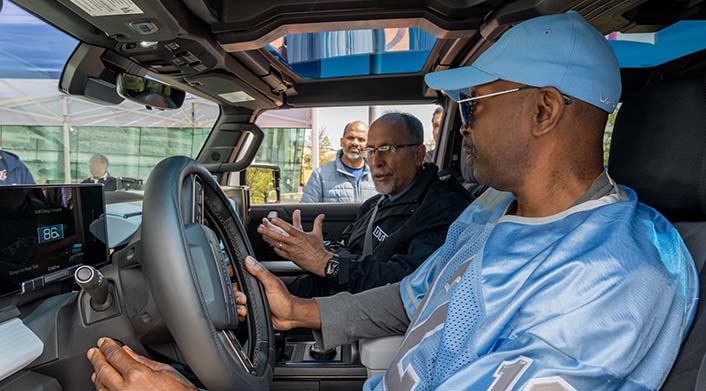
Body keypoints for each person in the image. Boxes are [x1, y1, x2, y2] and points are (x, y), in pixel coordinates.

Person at [87, 12, 698, 391]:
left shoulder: (619, 273)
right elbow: (415, 299)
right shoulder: (491, 211)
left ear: (543, 110)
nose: (464, 127)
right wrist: (302, 315)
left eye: (474, 105)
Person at [263, 112, 471, 297]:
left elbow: (408, 285)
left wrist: (326, 262)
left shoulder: (441, 207)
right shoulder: (376, 204)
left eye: (387, 149)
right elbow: (353, 251)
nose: (376, 161)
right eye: (371, 151)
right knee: (256, 296)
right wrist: (320, 250)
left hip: (369, 315)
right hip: (342, 290)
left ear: (417, 154)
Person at [301, 121, 377, 203]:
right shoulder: (320, 175)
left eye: (361, 140)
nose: (355, 143)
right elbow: (307, 211)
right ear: (341, 141)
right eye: (350, 138)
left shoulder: (378, 174)